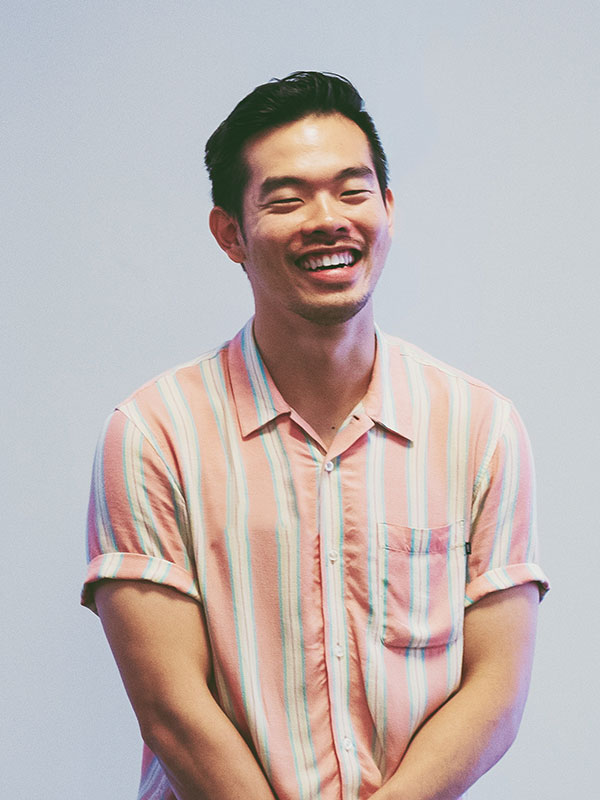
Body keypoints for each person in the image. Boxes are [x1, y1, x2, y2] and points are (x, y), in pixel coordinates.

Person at [82, 71, 549, 800]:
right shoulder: (152, 434)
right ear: (229, 233)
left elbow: (496, 692)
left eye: (353, 191)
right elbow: (172, 711)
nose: (327, 218)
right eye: (288, 199)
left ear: (388, 209)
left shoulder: (480, 427)